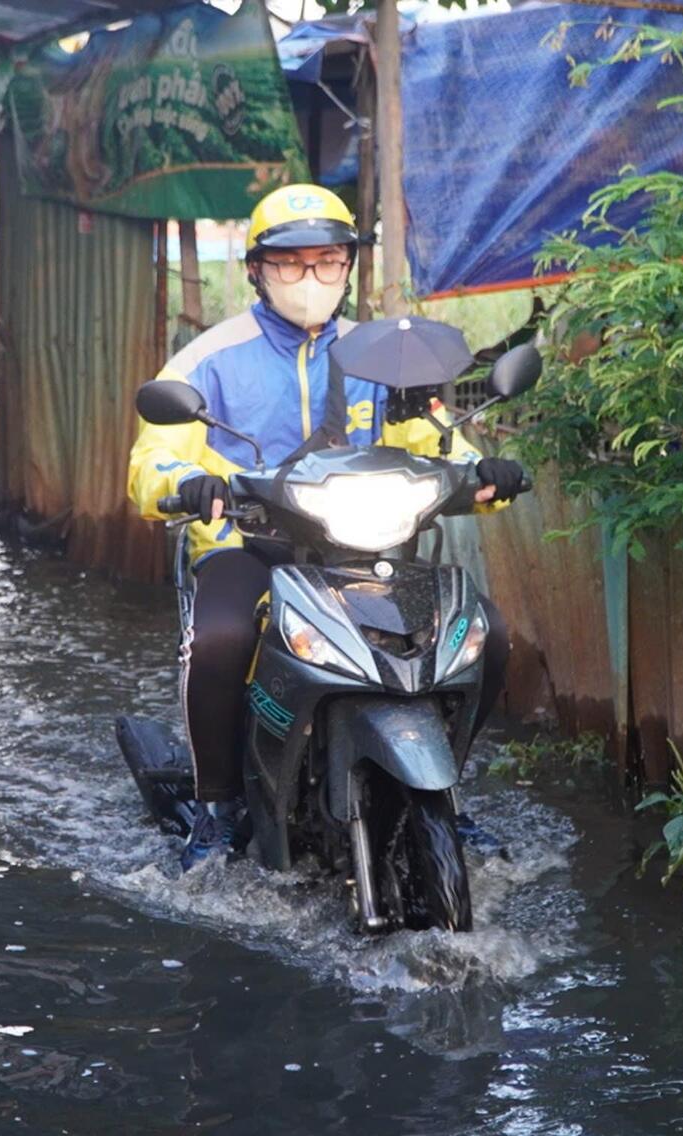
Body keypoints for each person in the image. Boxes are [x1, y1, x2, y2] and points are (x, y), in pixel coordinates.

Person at [127, 184, 530, 869]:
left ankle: (445, 798)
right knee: (221, 636)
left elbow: (431, 439)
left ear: (348, 267)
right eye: (289, 263)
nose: (309, 278)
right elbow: (151, 460)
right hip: (249, 546)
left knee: (484, 636)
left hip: (364, 547)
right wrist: (186, 486)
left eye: (326, 261)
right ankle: (218, 807)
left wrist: (482, 471)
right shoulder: (209, 360)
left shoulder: (379, 356)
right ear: (255, 268)